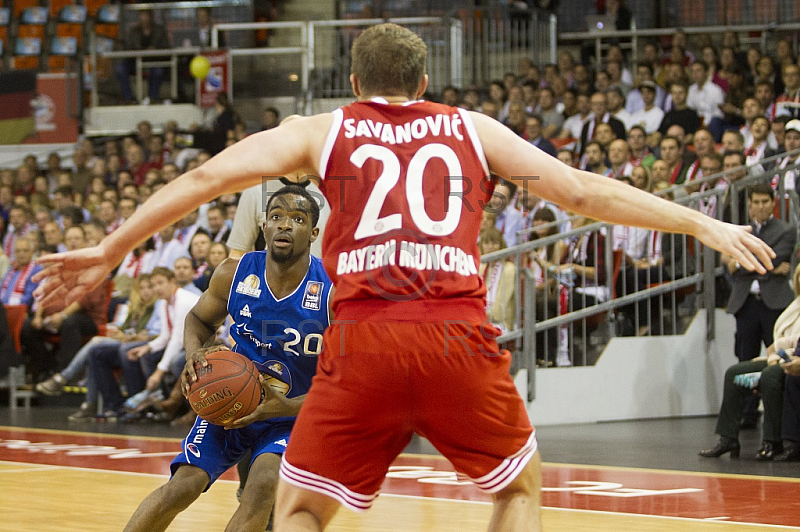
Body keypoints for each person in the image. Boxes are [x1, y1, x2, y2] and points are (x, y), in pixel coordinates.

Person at [34, 24, 775, 532]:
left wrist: (108, 248)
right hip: (456, 338)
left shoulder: (324, 130)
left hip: (358, 347)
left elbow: (204, 175)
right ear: (425, 82)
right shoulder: (471, 129)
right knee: (518, 487)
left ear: (355, 82)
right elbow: (582, 191)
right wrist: (701, 223)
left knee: (297, 511)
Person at [123, 186, 331, 532]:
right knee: (182, 485)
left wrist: (289, 407)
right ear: (263, 226)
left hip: (292, 415)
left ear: (313, 233)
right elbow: (198, 319)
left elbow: (351, 382)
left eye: (297, 219)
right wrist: (193, 355)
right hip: (232, 402)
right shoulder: (233, 273)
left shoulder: (330, 289)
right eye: (276, 216)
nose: (284, 225)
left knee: (262, 486)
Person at [700, 264, 800, 460]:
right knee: (735, 374)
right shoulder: (795, 305)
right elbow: (788, 337)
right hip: (779, 355)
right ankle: (728, 438)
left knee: (771, 375)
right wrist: (776, 347)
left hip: (789, 359)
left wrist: (778, 352)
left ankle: (773, 441)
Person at [721, 183, 796, 428]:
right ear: (750, 204)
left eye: (766, 201)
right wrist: (770, 268)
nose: (761, 206)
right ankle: (747, 413)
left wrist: (740, 263)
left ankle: (780, 416)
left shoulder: (786, 229)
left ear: (773, 202)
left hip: (774, 304)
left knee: (778, 358)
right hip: (746, 302)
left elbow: (773, 256)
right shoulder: (742, 230)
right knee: (745, 358)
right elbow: (728, 260)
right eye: (756, 202)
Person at [115, 10, 169, 104]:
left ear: (151, 17)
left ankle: (153, 99)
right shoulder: (133, 31)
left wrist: (155, 49)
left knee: (158, 71)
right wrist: (141, 50)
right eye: (143, 16)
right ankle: (129, 99)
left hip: (154, 60)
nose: (145, 18)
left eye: (147, 15)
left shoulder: (159, 30)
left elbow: (166, 47)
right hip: (135, 60)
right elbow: (128, 47)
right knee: (121, 68)